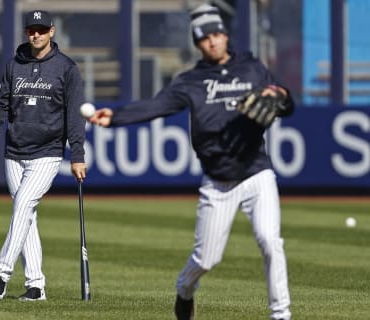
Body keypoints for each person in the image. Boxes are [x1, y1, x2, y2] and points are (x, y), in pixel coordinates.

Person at [87, 4, 293, 320]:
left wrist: (281, 95)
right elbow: (157, 106)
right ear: (197, 44)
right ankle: (184, 291)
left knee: (270, 240)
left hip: (256, 171)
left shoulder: (251, 68)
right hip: (218, 181)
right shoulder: (190, 81)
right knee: (206, 259)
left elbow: (282, 101)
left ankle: (281, 314)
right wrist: (116, 117)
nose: (211, 42)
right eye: (204, 38)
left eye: (216, 35)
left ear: (225, 35)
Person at [0, 10, 86, 301]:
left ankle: (0, 276)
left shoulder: (67, 68)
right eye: (31, 30)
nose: (35, 34)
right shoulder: (14, 65)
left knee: (23, 205)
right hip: (14, 152)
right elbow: (2, 105)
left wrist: (77, 154)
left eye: (41, 29)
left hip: (47, 152)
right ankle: (36, 285)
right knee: (26, 216)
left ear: (52, 31)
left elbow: (75, 117)